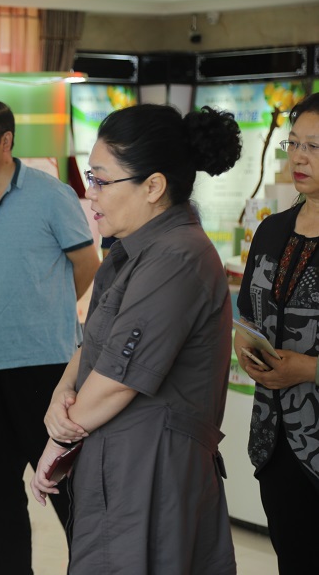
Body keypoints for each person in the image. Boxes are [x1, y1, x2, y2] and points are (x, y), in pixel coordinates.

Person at [31, 103, 242, 574]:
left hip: (152, 472)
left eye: (102, 181)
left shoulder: (178, 257)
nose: (90, 194)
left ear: (153, 186)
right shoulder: (131, 252)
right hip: (120, 462)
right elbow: (96, 344)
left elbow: (118, 380)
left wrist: (58, 440)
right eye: (90, 177)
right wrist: (61, 393)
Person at [0, 99, 101, 574]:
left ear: (6, 140)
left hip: (47, 369)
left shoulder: (51, 195)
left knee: (66, 490)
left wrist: (49, 309)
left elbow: (87, 264)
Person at [234, 92, 319, 574]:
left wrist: (308, 368)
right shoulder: (271, 232)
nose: (299, 157)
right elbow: (249, 315)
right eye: (294, 143)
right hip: (275, 439)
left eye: (314, 146)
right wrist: (245, 346)